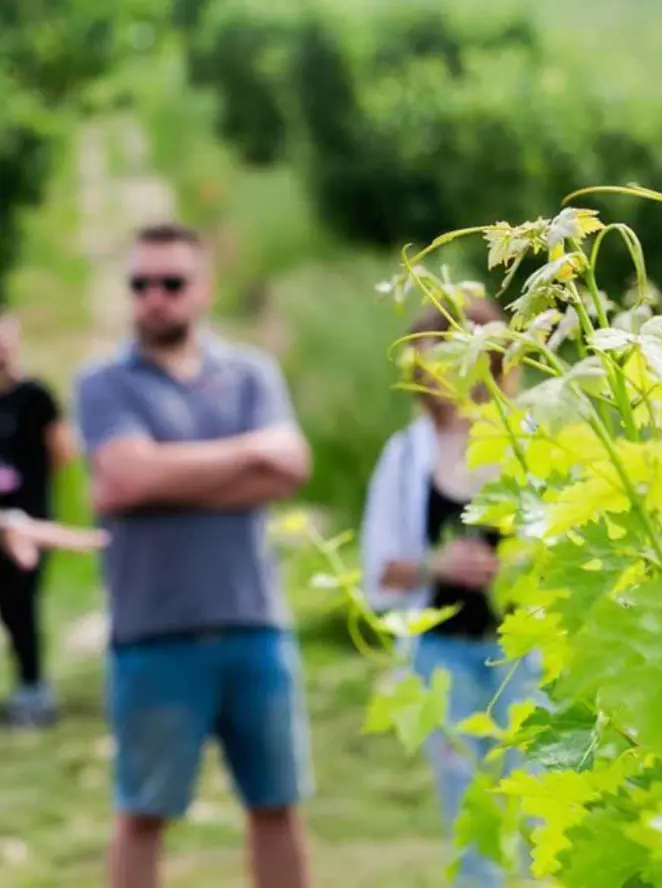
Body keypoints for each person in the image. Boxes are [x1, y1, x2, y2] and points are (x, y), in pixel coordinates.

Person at [73, 222, 314, 888]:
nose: (154, 297)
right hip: (153, 634)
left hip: (254, 626)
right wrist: (244, 457)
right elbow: (122, 479)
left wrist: (159, 475)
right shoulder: (103, 384)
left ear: (202, 291)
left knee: (277, 804)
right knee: (143, 812)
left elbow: (290, 468)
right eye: (140, 284)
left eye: (171, 283)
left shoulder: (251, 373)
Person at [361, 297, 539, 888]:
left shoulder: (530, 439)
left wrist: (517, 559)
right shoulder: (405, 456)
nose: (445, 377)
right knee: (470, 804)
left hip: (526, 652)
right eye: (432, 363)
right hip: (445, 653)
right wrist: (438, 566)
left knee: (541, 801)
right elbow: (380, 570)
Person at [0, 311, 79, 727]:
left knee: (20, 604)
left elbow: (65, 453)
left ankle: (32, 689)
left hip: (30, 520)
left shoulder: (35, 397)